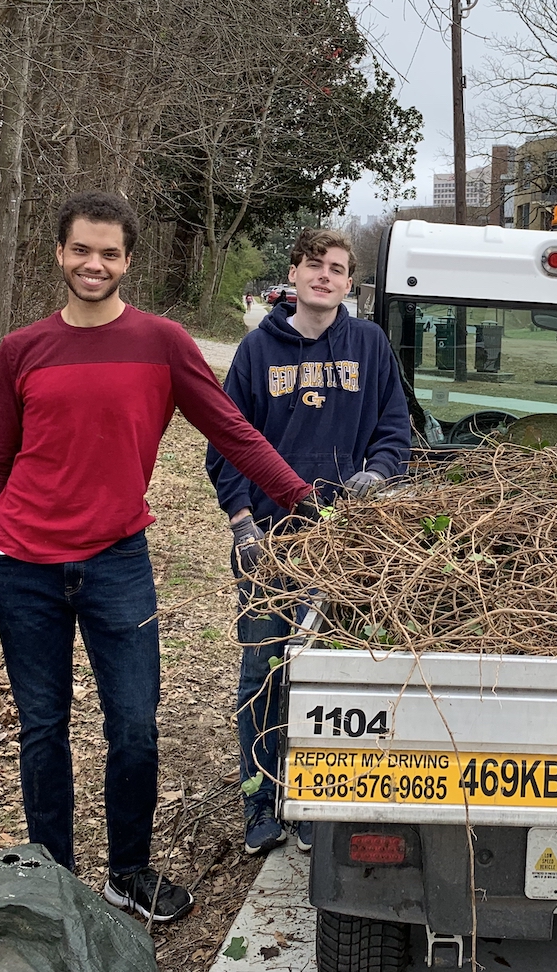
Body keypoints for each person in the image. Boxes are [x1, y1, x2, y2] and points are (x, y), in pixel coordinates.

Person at [0, 190, 316, 925]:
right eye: (81, 249)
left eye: (109, 252)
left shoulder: (163, 342)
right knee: (44, 727)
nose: (94, 263)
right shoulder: (22, 349)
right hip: (23, 565)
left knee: (136, 727)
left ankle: (127, 872)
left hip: (118, 561)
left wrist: (308, 504)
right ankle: (52, 881)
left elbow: (233, 433)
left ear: (128, 261)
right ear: (60, 253)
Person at [206, 227, 411, 858]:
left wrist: (375, 476)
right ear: (292, 274)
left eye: (338, 268)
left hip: (346, 542)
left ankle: (320, 804)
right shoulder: (256, 352)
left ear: (351, 283)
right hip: (269, 541)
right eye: (314, 265)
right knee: (262, 673)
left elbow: (395, 429)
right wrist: (243, 526)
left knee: (331, 679)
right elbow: (225, 442)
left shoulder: (369, 345)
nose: (325, 276)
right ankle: (261, 803)